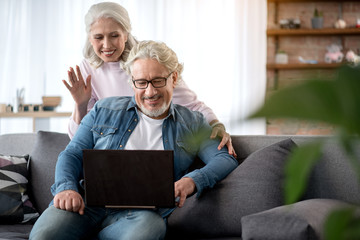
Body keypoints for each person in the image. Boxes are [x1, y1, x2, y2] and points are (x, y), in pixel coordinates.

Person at [30, 40, 238, 240]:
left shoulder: (193, 123)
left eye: (158, 80)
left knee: (148, 230)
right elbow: (72, 153)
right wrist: (66, 187)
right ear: (132, 82)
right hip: (85, 204)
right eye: (141, 83)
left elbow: (224, 158)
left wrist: (191, 181)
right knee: (43, 236)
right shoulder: (104, 109)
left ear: (174, 78)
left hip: (141, 216)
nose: (150, 91)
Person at [63, 2, 236, 157]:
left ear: (126, 33)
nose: (107, 45)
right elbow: (78, 139)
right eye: (99, 37)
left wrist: (216, 125)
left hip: (155, 146)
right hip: (115, 155)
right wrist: (80, 105)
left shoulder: (147, 60)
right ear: (90, 38)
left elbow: (194, 106)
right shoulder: (88, 69)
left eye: (114, 35)